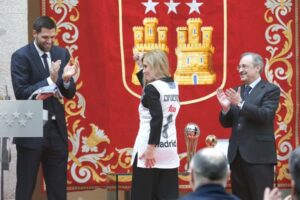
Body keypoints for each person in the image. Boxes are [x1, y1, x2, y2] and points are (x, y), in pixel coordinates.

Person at [10, 16, 78, 200]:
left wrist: (65, 80)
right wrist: (50, 80)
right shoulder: (20, 56)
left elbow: (70, 92)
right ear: (35, 33)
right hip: (30, 125)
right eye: (45, 37)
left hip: (56, 129)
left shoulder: (62, 53)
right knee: (26, 186)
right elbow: (21, 92)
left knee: (57, 189)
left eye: (52, 37)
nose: (49, 41)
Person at [216, 52, 280, 200]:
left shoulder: (270, 89)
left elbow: (266, 115)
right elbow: (227, 123)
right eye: (239, 66)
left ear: (257, 68)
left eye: (244, 66)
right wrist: (226, 109)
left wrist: (240, 103)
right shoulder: (239, 90)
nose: (240, 70)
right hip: (237, 157)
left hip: (259, 157)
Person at [130, 49, 181, 200]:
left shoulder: (152, 88)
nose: (143, 71)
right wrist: (140, 64)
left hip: (149, 149)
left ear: (156, 66)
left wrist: (151, 148)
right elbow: (149, 92)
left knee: (143, 195)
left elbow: (156, 118)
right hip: (169, 148)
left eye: (146, 67)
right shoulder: (173, 85)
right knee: (166, 195)